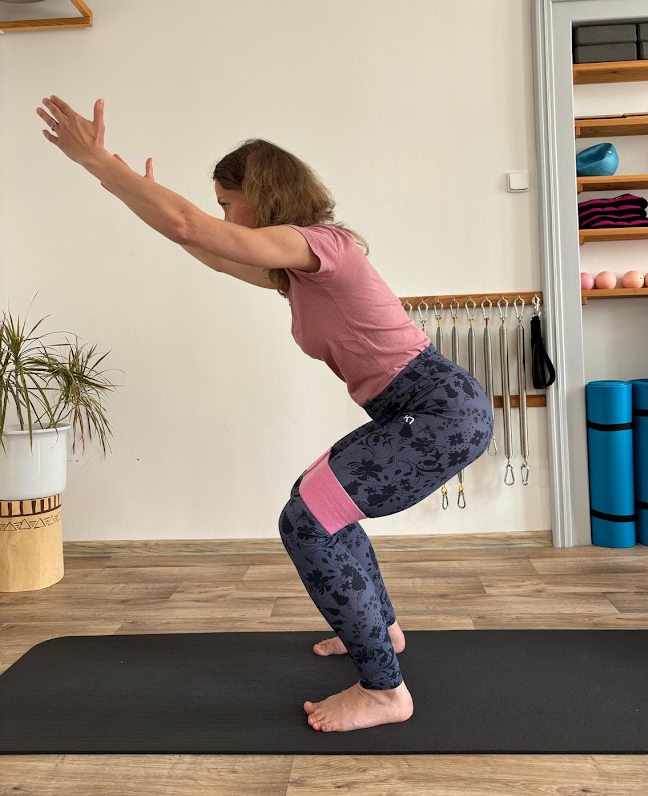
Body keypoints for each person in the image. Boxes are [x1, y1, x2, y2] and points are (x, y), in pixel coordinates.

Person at [36, 95, 494, 733]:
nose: (223, 215)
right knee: (317, 501)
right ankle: (377, 629)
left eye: (228, 202)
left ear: (259, 195)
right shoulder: (298, 271)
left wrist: (98, 161)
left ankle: (384, 691)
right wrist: (132, 192)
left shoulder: (323, 245)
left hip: (439, 409)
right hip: (413, 409)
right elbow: (205, 246)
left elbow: (193, 228)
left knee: (308, 522)